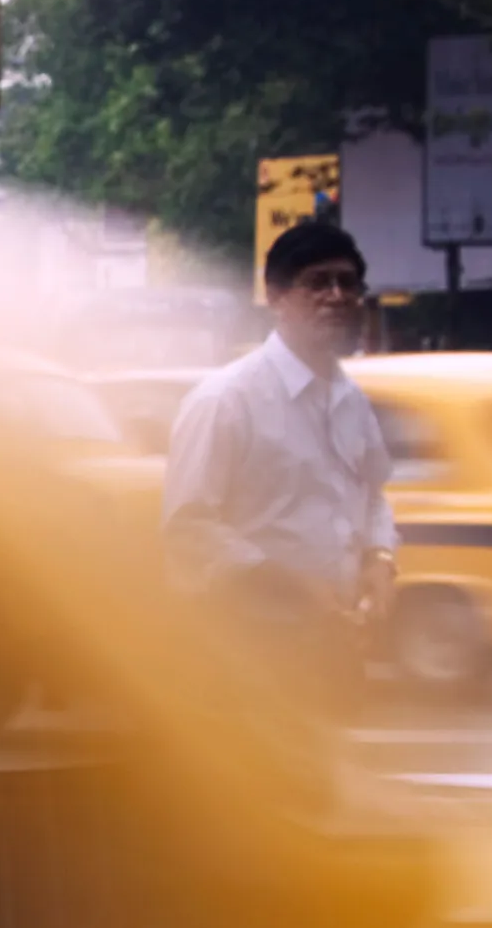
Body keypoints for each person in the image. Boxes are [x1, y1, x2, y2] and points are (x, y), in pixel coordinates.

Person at [164, 218, 398, 706]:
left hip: (332, 648)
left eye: (348, 283)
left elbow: (373, 495)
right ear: (276, 298)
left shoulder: (351, 401)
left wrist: (380, 559)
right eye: (317, 283)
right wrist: (288, 585)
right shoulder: (226, 400)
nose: (336, 296)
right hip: (245, 651)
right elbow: (189, 527)